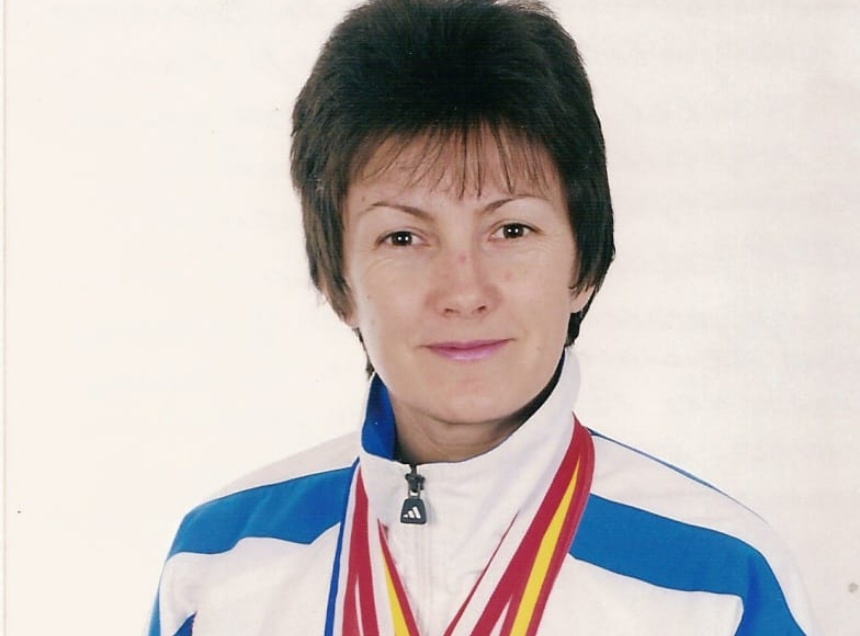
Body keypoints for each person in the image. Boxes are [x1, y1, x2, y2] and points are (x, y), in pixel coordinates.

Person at [148, 0, 818, 633]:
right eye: (403, 238)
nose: (464, 291)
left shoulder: (716, 583)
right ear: (337, 281)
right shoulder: (221, 565)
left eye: (512, 230)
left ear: (584, 264)